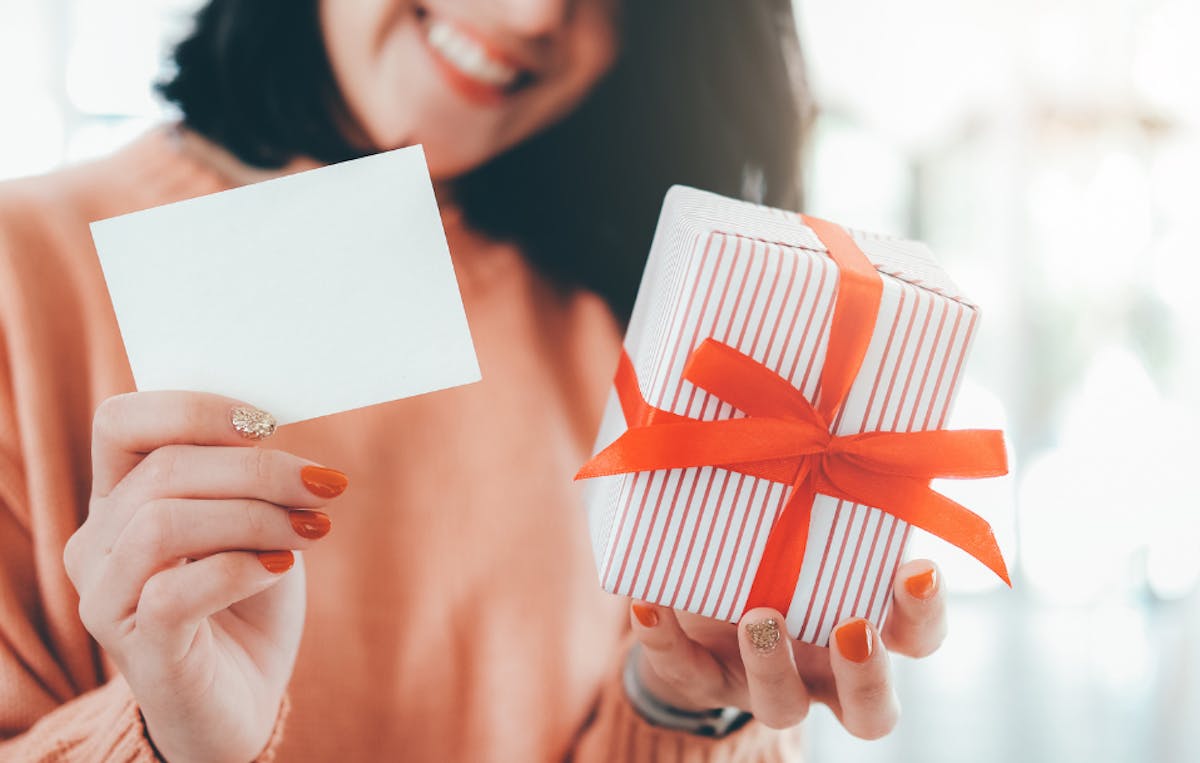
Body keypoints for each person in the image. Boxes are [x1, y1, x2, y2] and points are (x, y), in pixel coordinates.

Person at [0, 0, 950, 760]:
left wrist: (676, 713)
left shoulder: (641, 319)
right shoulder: (23, 274)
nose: (536, 13)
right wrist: (165, 742)